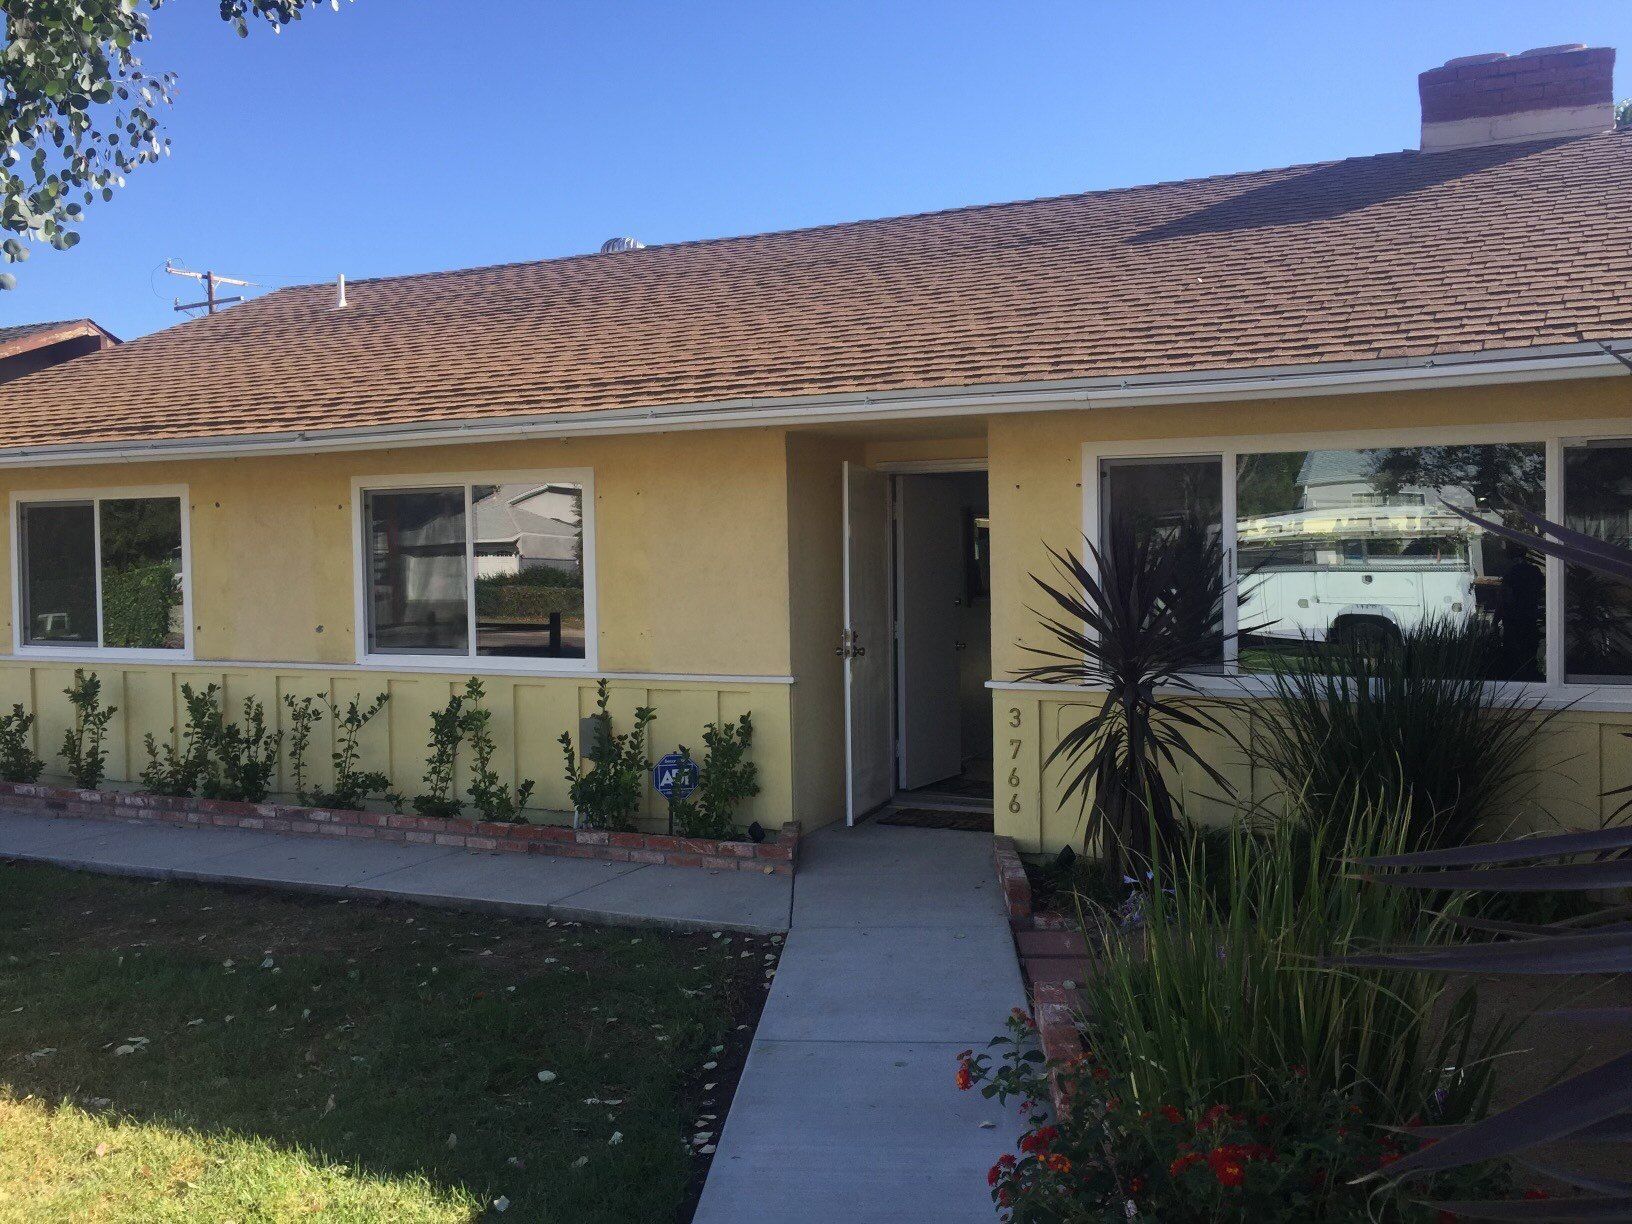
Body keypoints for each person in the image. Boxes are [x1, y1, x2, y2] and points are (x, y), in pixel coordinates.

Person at [1496, 542, 1543, 678]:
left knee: (1514, 655)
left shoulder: (1511, 573)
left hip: (1514, 619)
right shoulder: (1534, 571)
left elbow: (1503, 599)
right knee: (1529, 653)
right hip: (1529, 617)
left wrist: (1495, 622)